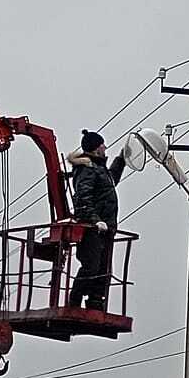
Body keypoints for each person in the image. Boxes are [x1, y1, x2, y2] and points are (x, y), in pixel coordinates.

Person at [66, 130, 125, 310]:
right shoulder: (87, 168)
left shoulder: (99, 169)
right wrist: (94, 220)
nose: (105, 147)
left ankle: (95, 302)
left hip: (106, 228)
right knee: (92, 265)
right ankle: (75, 300)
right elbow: (82, 197)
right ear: (95, 148)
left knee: (104, 269)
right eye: (102, 145)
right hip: (92, 228)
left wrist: (121, 160)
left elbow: (110, 180)